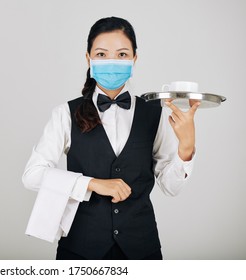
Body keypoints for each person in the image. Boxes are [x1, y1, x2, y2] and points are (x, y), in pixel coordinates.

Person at [22, 16, 199, 260]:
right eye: (102, 54)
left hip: (141, 250)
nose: (112, 62)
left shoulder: (154, 113)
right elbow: (32, 175)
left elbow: (171, 187)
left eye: (122, 54)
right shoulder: (64, 113)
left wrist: (186, 148)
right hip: (80, 251)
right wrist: (92, 183)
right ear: (89, 59)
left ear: (135, 59)